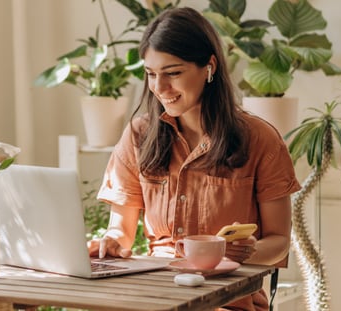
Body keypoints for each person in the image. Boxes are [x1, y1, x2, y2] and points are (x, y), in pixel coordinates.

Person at [88, 7, 301, 311]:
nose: (160, 88)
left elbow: (278, 239)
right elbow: (120, 231)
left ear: (209, 67)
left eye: (173, 73)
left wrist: (244, 253)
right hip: (154, 295)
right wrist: (110, 242)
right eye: (151, 74)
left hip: (229, 300)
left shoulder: (260, 139)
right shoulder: (140, 134)